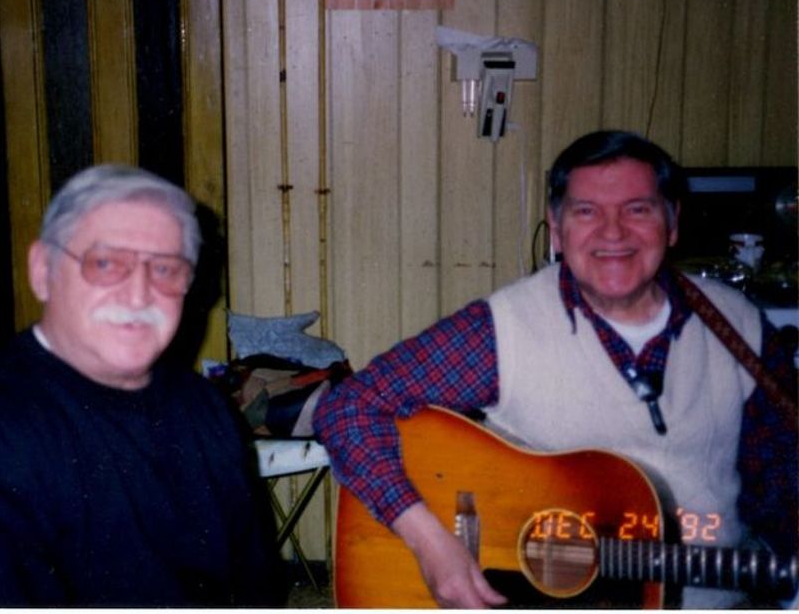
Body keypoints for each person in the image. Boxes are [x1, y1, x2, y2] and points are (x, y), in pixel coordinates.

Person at [313, 130, 797, 609]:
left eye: (637, 210)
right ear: (557, 230)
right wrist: (429, 542)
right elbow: (349, 407)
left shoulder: (741, 328)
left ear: (672, 223)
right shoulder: (501, 330)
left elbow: (780, 483)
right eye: (586, 212)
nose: (613, 232)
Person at [0, 164, 282, 607]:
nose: (139, 295)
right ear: (42, 270)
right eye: (105, 263)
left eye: (165, 269)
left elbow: (254, 590)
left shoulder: (204, 407)